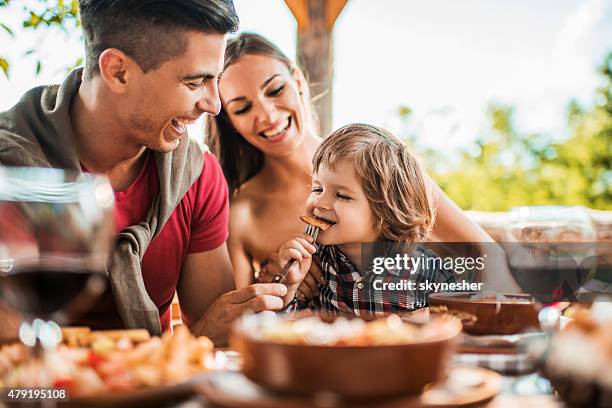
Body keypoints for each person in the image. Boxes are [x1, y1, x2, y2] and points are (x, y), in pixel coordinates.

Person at [0, 0, 288, 345]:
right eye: (196, 82)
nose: (214, 105)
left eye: (217, 80)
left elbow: (216, 336)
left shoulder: (197, 175)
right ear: (118, 71)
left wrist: (274, 294)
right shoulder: (10, 172)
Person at [206, 33, 517, 298]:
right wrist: (275, 283)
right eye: (243, 107)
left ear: (297, 80)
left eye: (275, 90)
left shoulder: (376, 165)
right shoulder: (242, 212)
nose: (268, 115)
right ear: (230, 121)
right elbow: (240, 321)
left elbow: (486, 254)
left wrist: (486, 324)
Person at [276, 124, 456, 315]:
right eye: (317, 188)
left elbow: (458, 323)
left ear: (386, 212)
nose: (320, 202)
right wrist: (289, 289)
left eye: (342, 196)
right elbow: (285, 329)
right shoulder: (313, 263)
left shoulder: (425, 270)